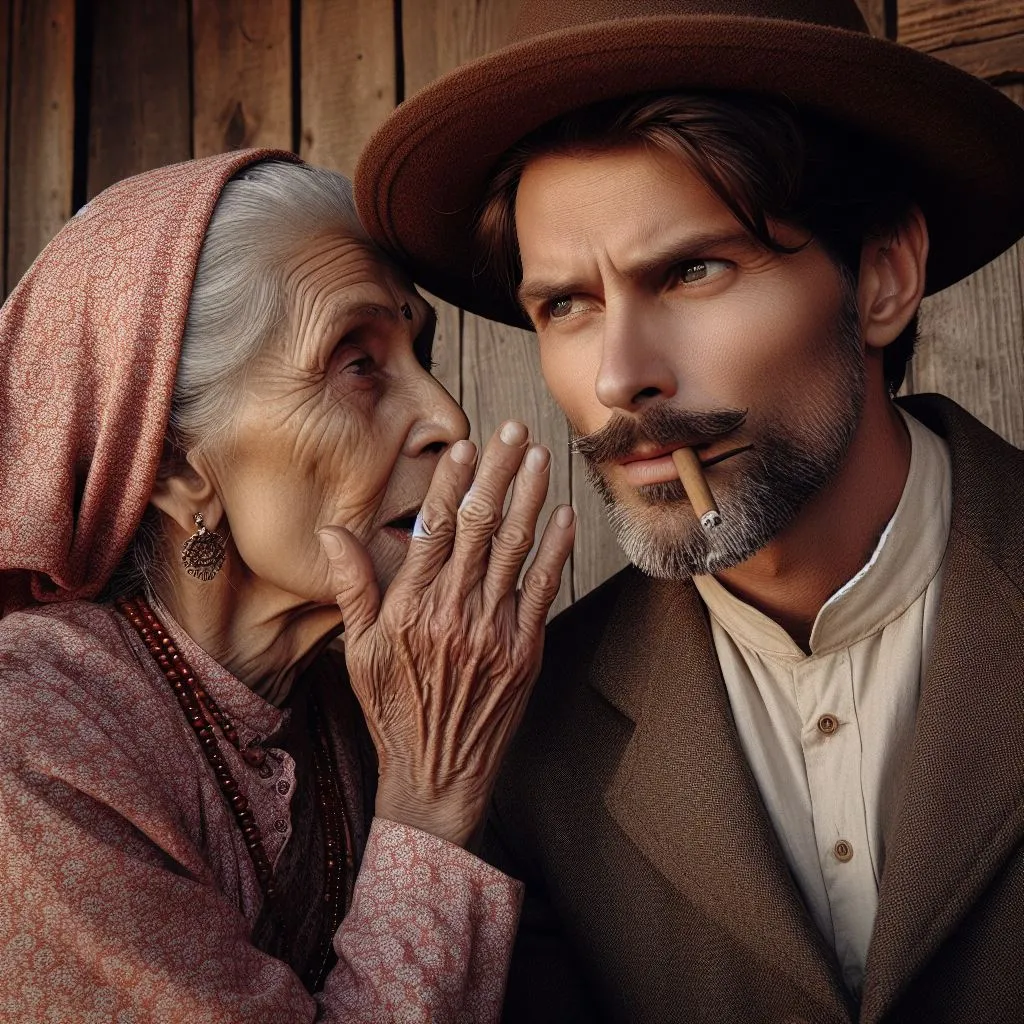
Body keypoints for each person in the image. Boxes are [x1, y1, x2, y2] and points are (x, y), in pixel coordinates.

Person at [353, 0, 1024, 1020]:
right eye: (566, 304)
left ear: (883, 275)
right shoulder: (528, 741)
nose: (621, 378)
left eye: (692, 270)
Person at [0, 150, 576, 1021]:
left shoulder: (374, 693)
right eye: (358, 363)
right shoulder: (32, 742)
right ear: (176, 467)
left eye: (418, 349)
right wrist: (428, 794)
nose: (447, 418)